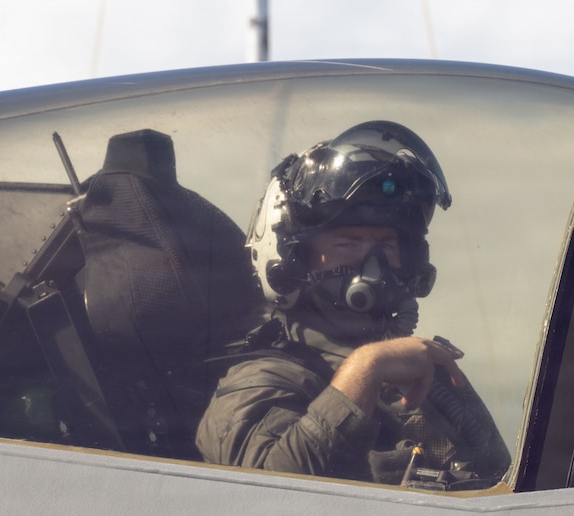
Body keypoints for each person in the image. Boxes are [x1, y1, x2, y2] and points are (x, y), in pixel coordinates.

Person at [196, 121, 510, 489]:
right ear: (294, 257)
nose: (371, 263)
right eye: (349, 243)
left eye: (387, 245)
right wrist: (365, 368)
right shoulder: (258, 381)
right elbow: (266, 499)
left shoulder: (419, 366)